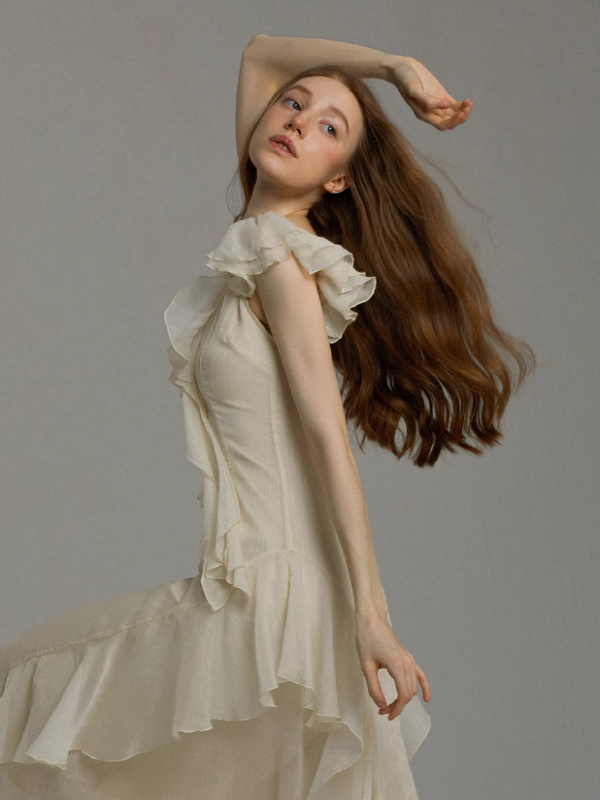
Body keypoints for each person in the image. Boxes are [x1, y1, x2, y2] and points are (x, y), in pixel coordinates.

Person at [0, 33, 533, 800]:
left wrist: (372, 616)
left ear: (339, 177)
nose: (297, 121)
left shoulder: (282, 262)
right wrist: (393, 69)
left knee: (24, 692)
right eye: (293, 104)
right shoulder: (256, 242)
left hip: (267, 602)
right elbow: (260, 54)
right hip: (268, 598)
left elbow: (327, 439)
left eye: (329, 127)